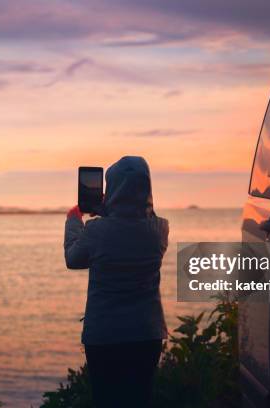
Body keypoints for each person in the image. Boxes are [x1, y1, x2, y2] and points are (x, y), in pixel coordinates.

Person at [64, 156, 169, 408]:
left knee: (106, 400)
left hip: (105, 336)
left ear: (110, 188)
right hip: (146, 334)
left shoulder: (97, 231)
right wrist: (111, 209)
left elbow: (73, 258)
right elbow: (133, 221)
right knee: (139, 400)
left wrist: (73, 220)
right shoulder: (159, 230)